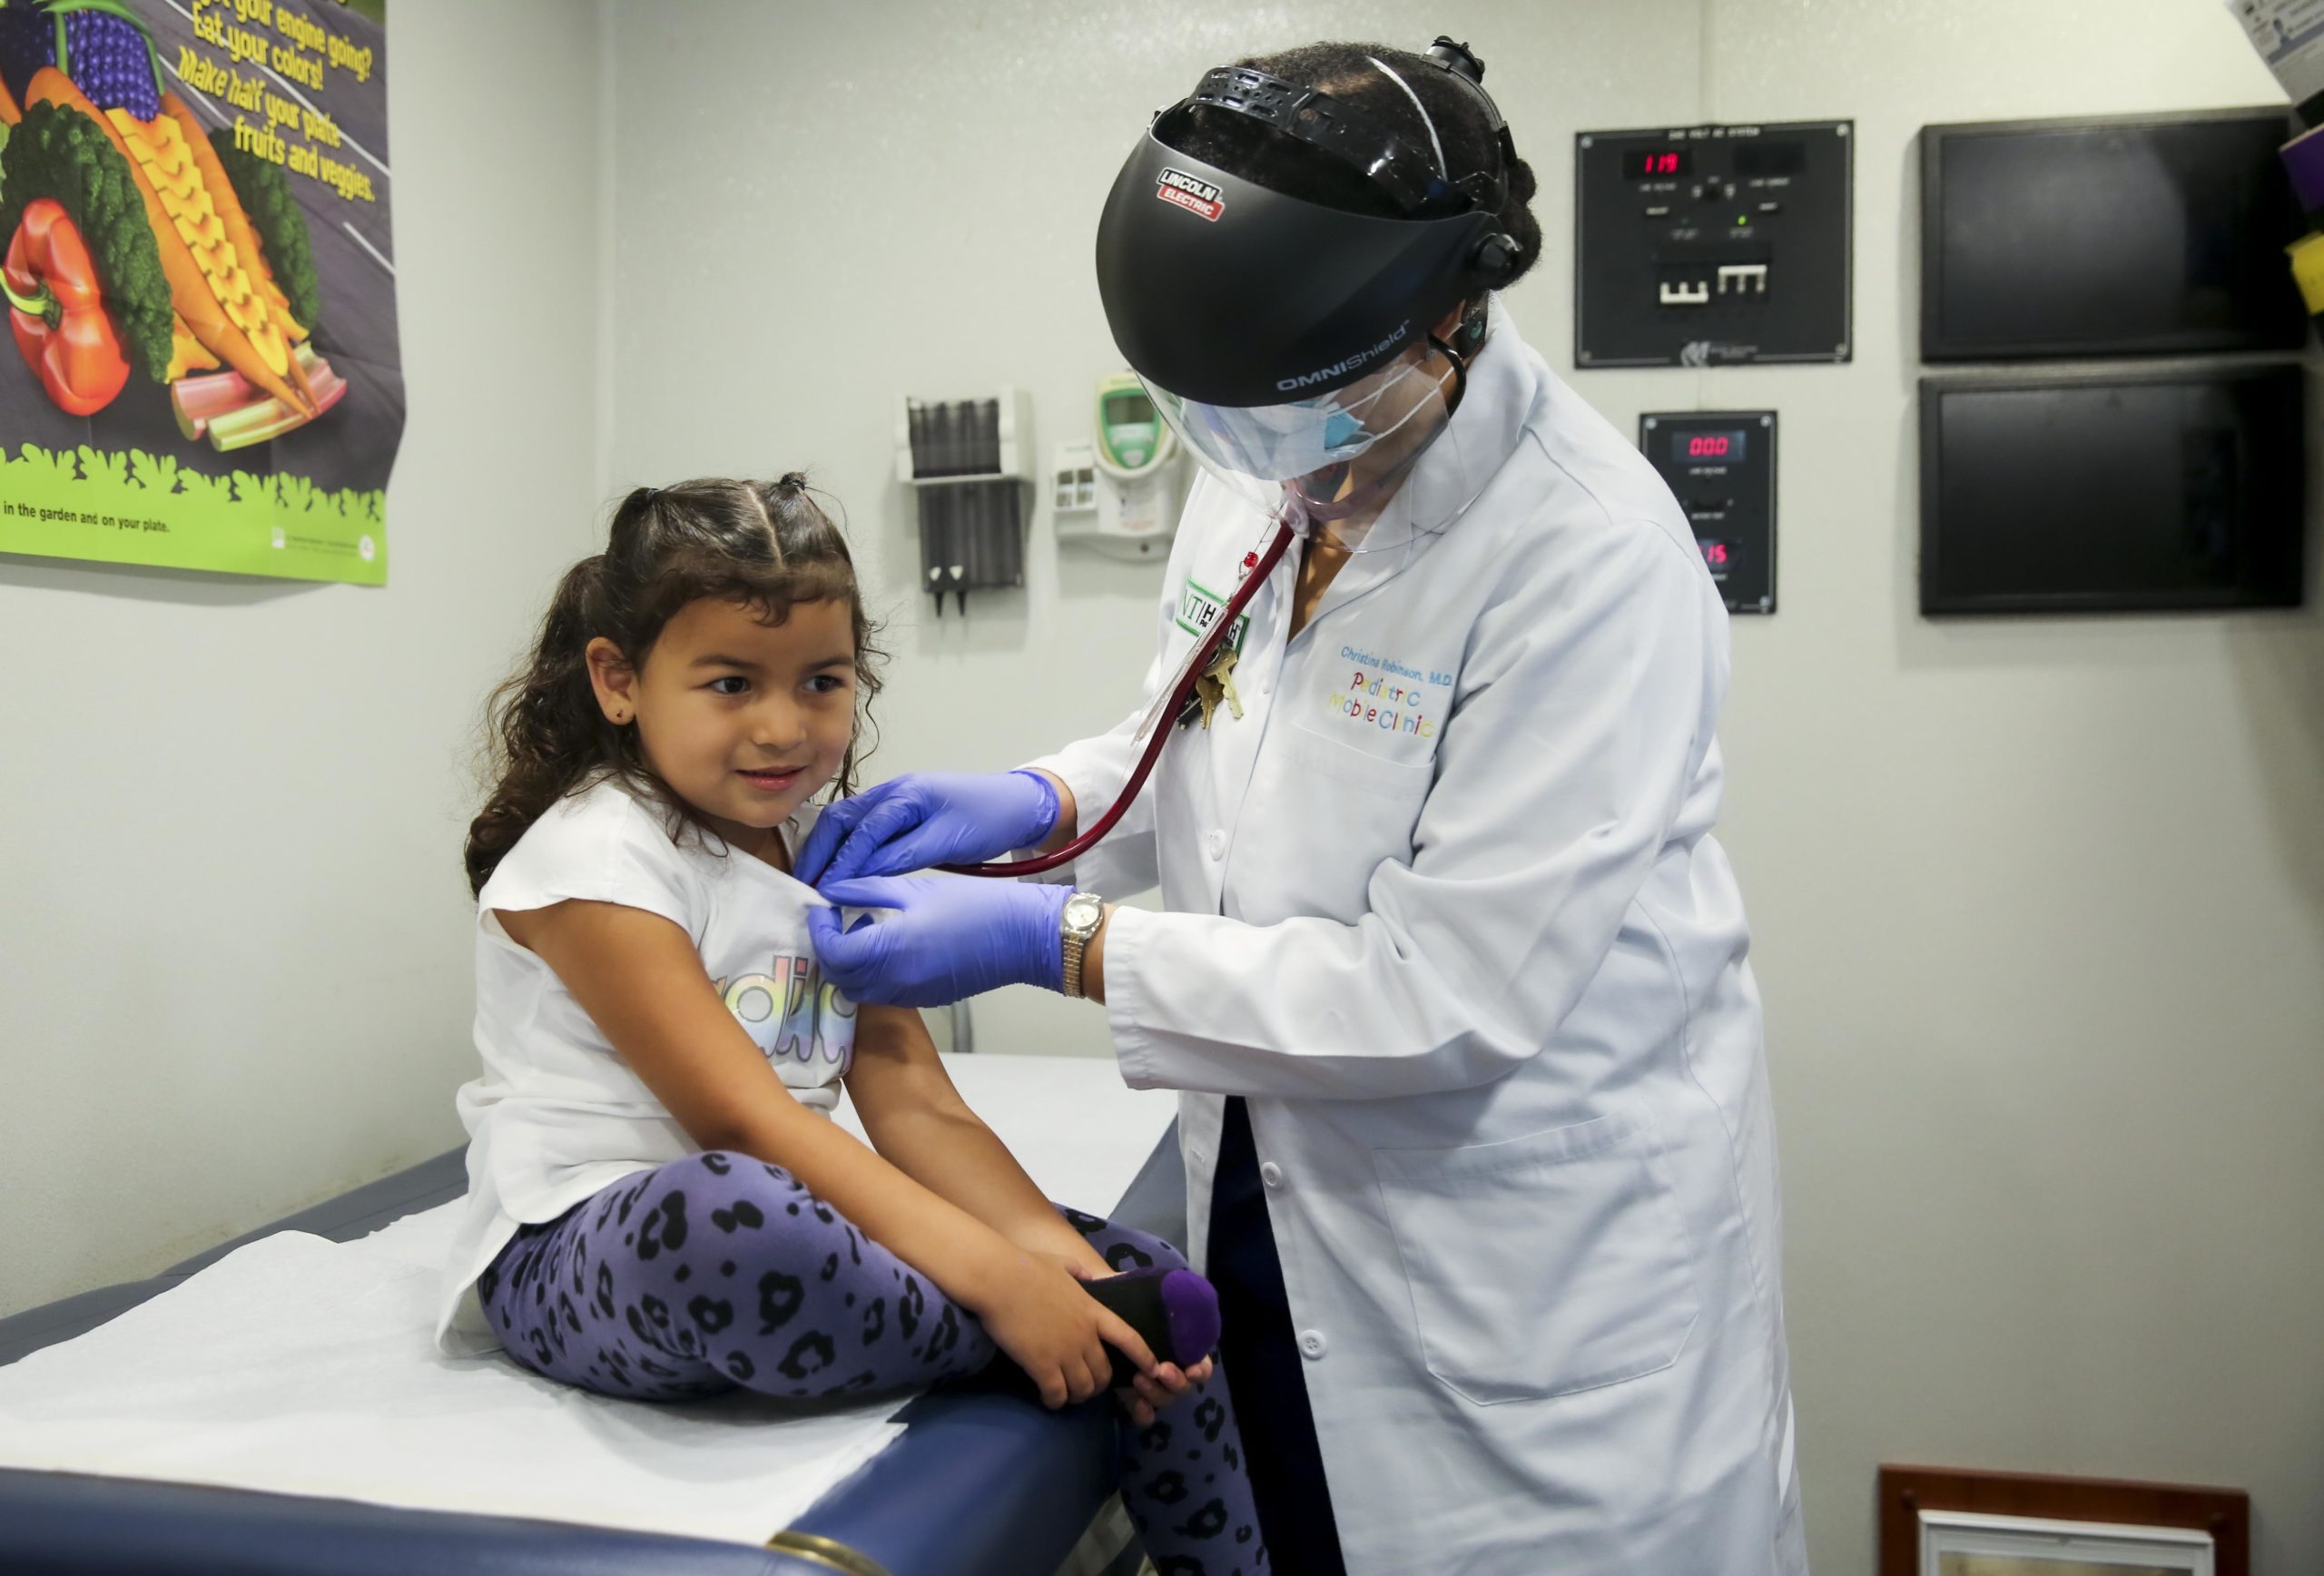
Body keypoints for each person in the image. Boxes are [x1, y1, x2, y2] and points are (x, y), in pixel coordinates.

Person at [797, 39, 1807, 1576]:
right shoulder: (1276, 446)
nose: (1245, 452)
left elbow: (1440, 993)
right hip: (1284, 1198)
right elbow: (1194, 740)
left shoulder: (1593, 562)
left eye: (1286, 409)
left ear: (1447, 319)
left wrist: (1045, 937)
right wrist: (1020, 802)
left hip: (1524, 1280)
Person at [439, 477, 1268, 1575]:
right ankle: (1016, 1342)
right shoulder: (598, 858)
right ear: (619, 680)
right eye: (730, 682)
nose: (783, 726)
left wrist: (1066, 1271)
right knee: (735, 1216)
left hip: (803, 1201)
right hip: (594, 1242)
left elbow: (914, 1100)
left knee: (1138, 1266)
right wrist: (1003, 1288)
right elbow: (741, 1118)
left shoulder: (825, 848)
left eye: (821, 681)